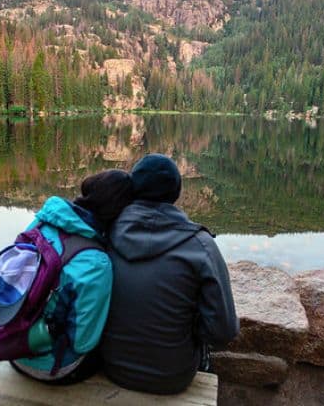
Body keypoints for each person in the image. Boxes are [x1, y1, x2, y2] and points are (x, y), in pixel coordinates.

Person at [100, 154, 239, 394]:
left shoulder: (105, 231)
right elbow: (222, 332)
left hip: (112, 368)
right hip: (171, 377)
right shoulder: (201, 245)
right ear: (176, 193)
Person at [10, 169, 134, 384]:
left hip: (11, 347)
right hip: (50, 367)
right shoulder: (95, 263)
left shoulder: (42, 222)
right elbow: (83, 342)